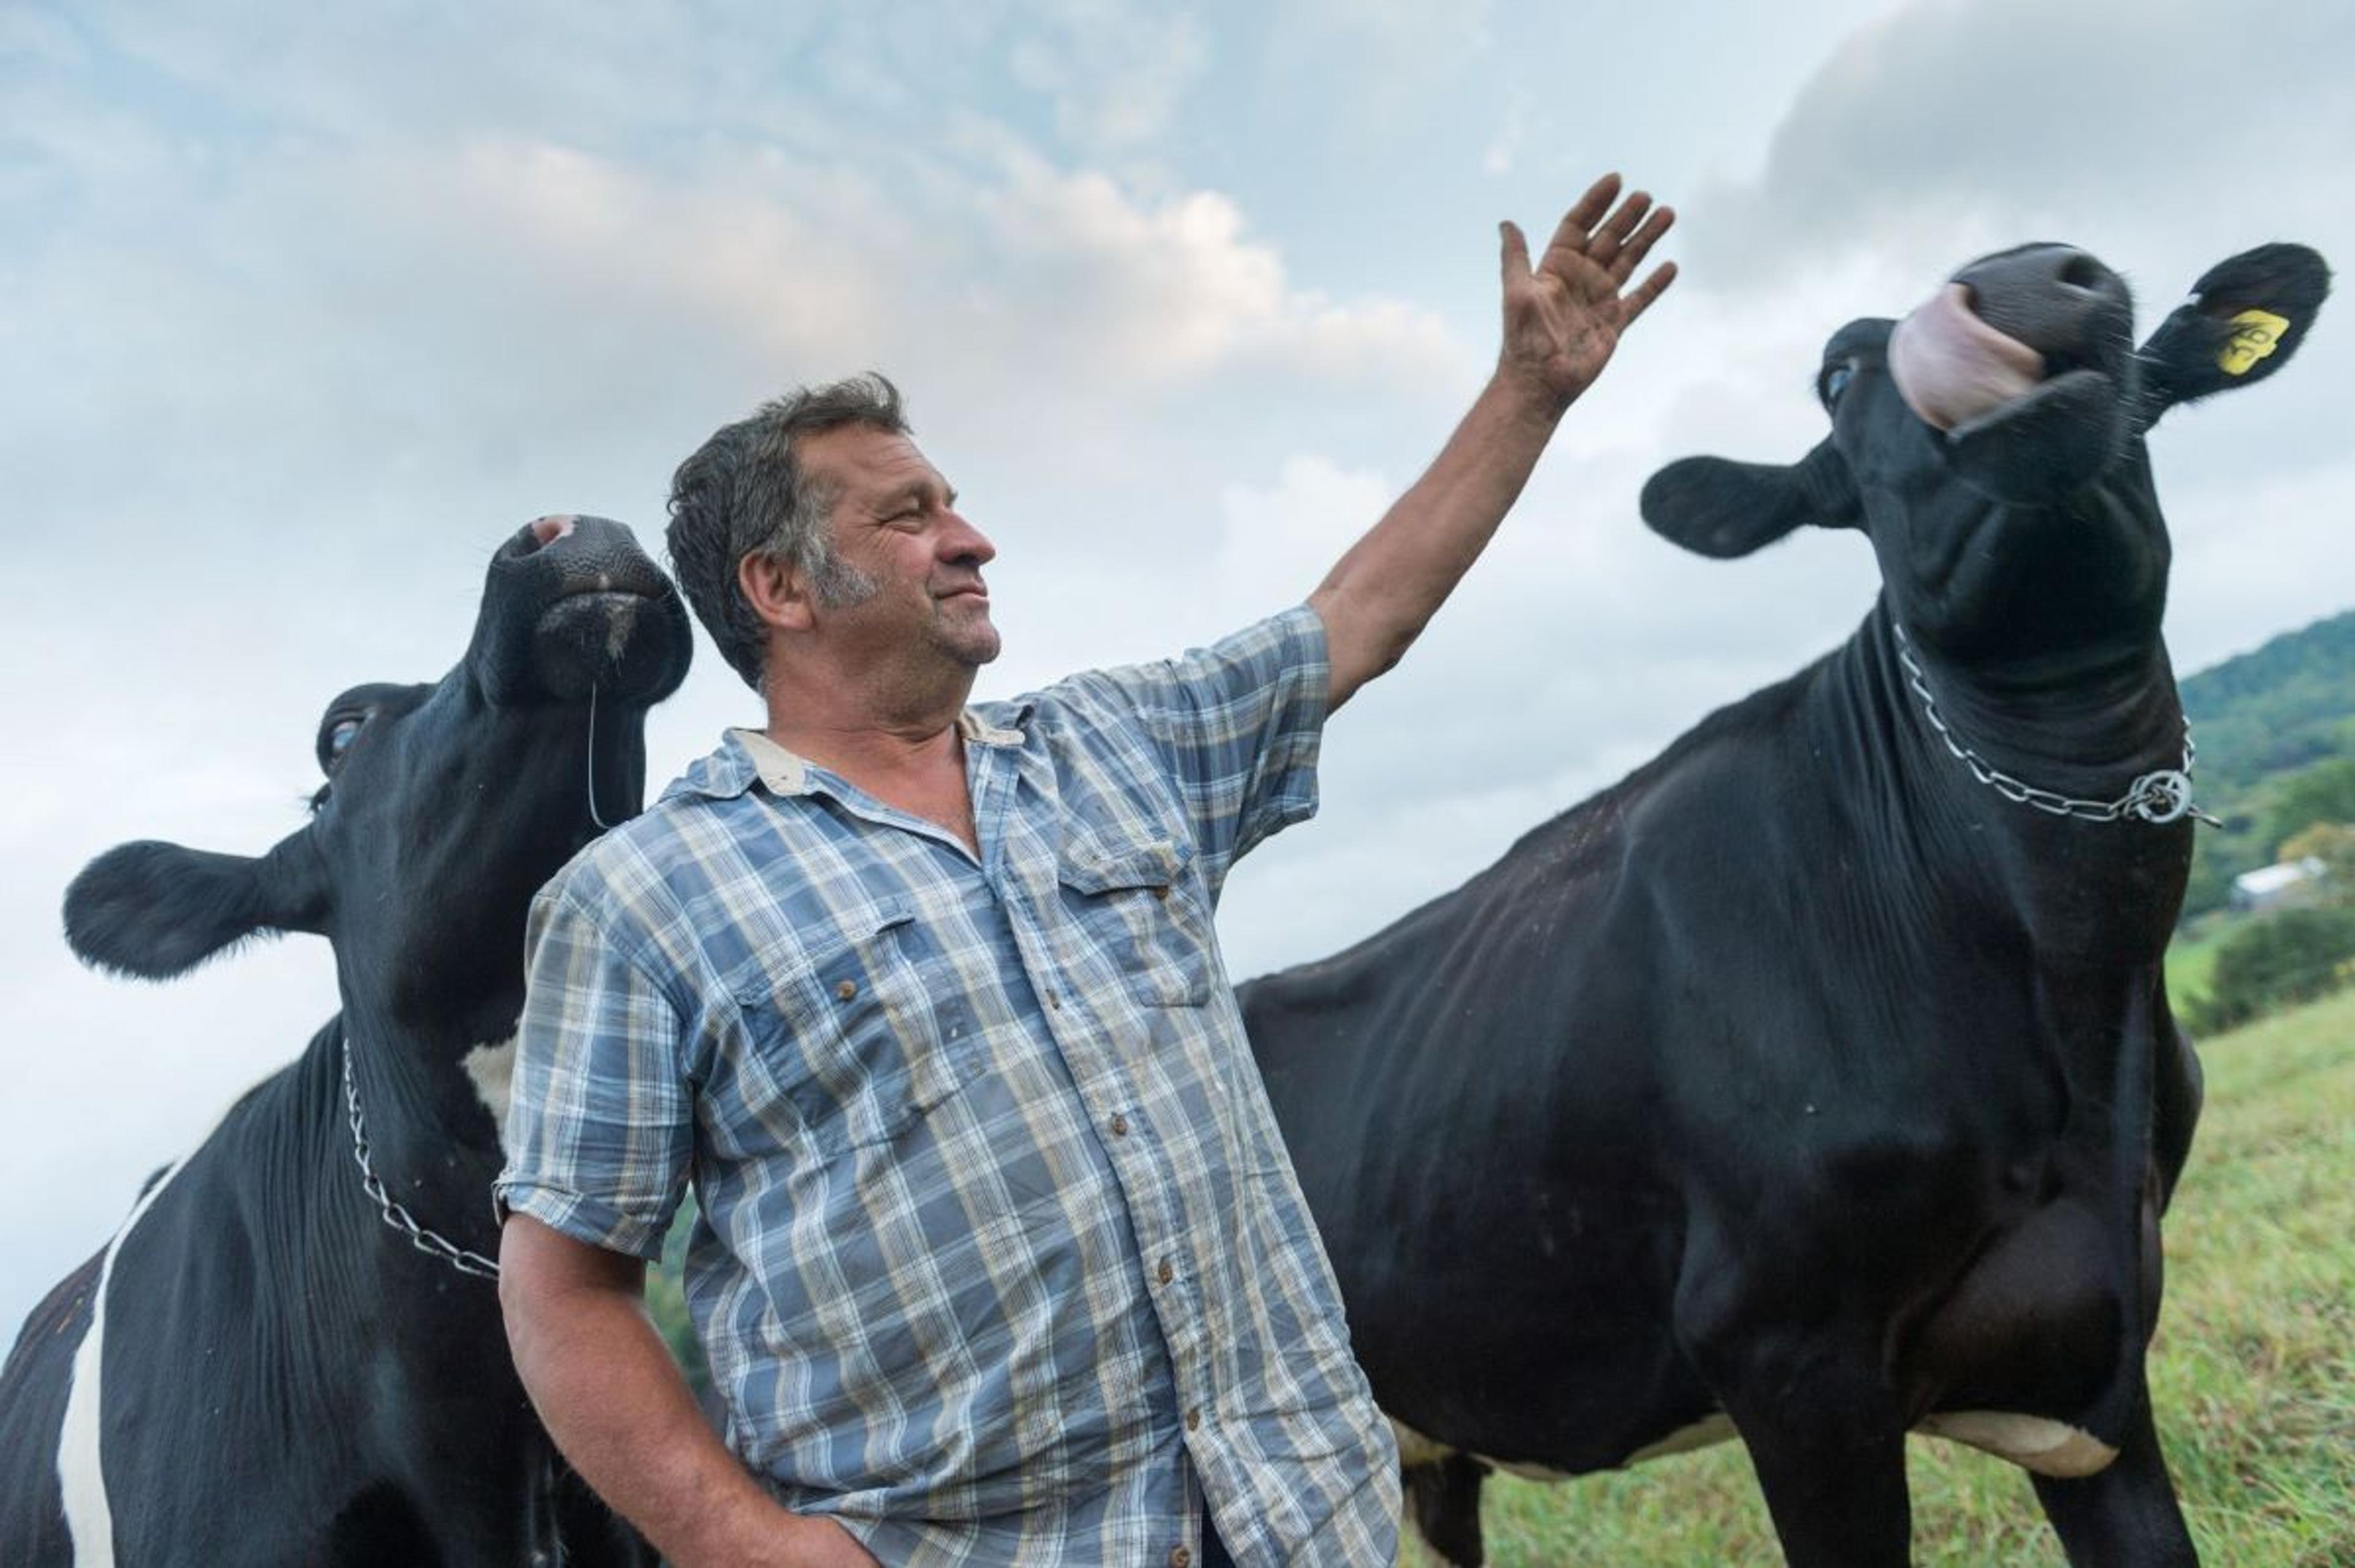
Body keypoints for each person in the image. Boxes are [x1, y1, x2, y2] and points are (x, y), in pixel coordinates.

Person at [495, 172, 1676, 1568]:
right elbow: (567, 1287)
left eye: (956, 501)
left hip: (1297, 1521)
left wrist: (1528, 393)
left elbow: (1357, 615)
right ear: (782, 588)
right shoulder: (645, 901)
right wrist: (746, 1546)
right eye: (909, 514)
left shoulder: (1117, 748)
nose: (972, 536)